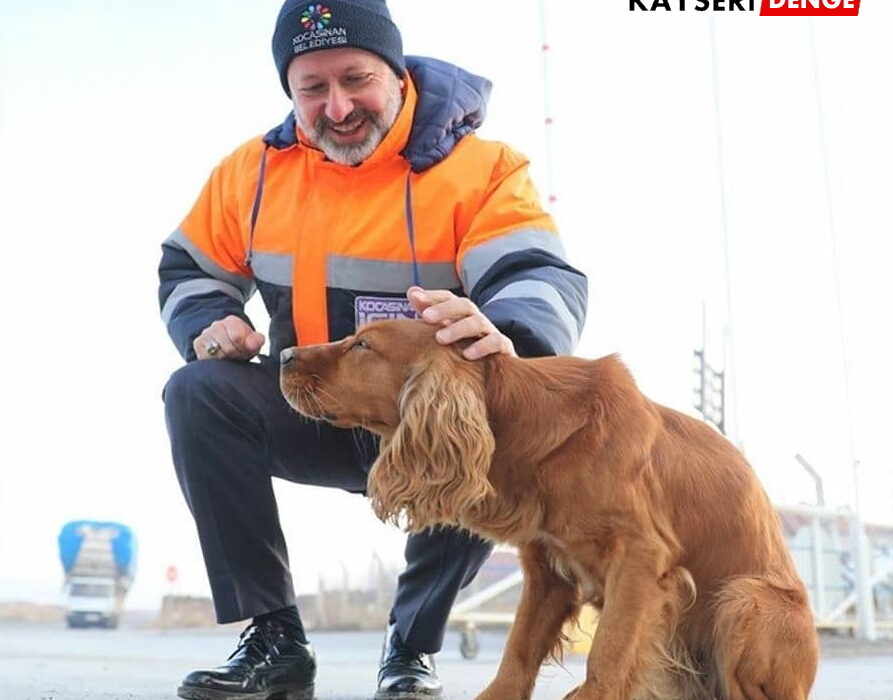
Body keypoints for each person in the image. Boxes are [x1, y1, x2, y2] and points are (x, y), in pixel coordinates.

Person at [158, 1, 587, 698]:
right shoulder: (253, 172)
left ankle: (410, 650)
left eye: (356, 79)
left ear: (395, 72)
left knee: (496, 410)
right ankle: (273, 641)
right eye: (312, 89)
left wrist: (510, 331)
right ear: (289, 91)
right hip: (315, 404)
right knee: (195, 392)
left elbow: (537, 274)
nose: (337, 107)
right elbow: (188, 267)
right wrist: (208, 321)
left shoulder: (481, 170)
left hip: (430, 414)